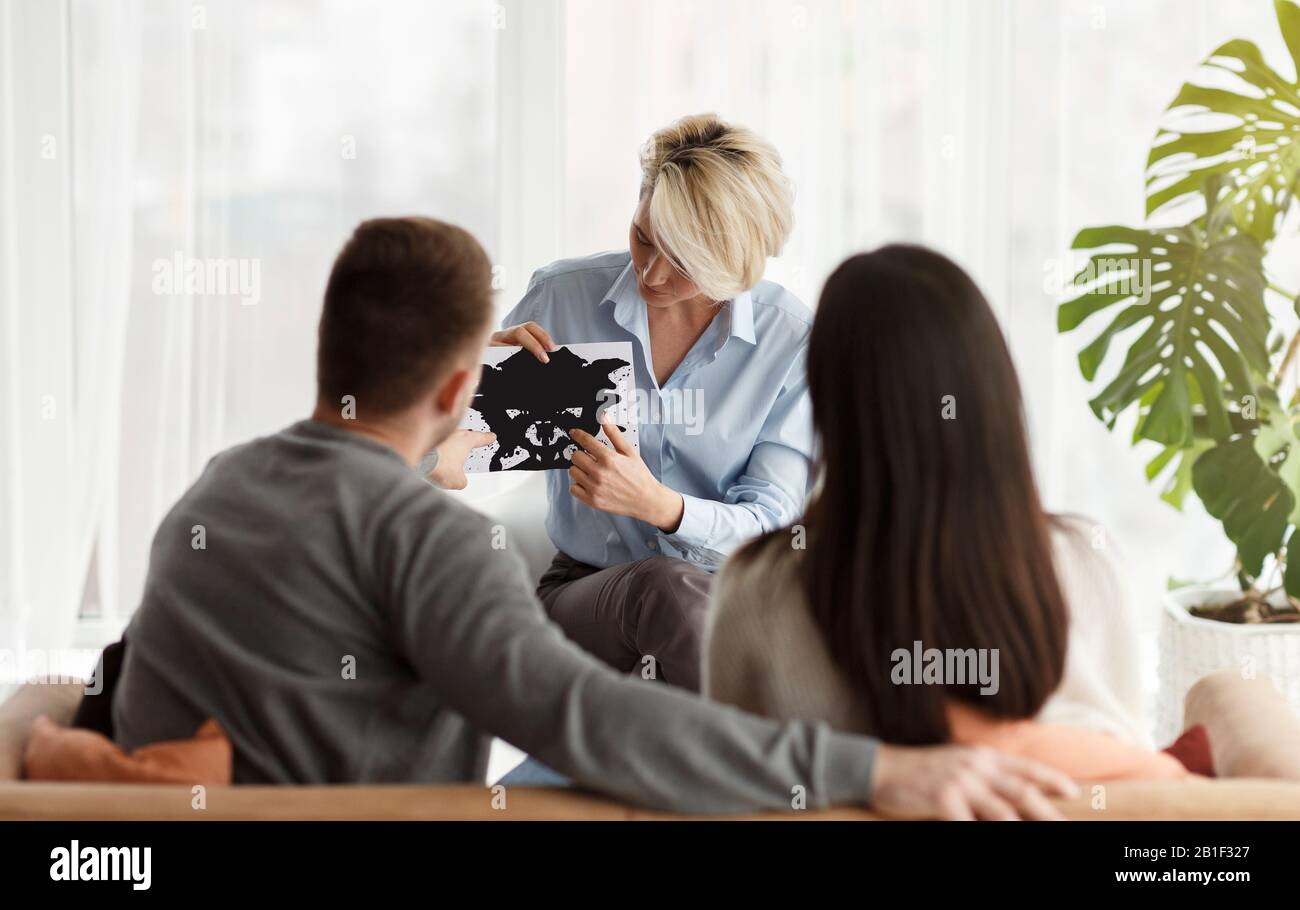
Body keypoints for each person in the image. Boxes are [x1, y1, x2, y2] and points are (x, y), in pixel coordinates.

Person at [110, 217, 1076, 819]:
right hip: (607, 610)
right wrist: (873, 773)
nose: (647, 270)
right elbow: (588, 719)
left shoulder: (213, 491)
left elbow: (126, 692)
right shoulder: (438, 547)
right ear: (461, 383)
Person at [704, 245, 1182, 782]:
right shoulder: (1082, 562)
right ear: (996, 389)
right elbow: (1139, 797)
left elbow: (738, 792)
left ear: (830, 404)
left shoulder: (757, 588)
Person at [466, 113, 811, 692]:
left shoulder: (789, 339)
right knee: (662, 591)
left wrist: (663, 507)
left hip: (732, 599)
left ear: (735, 260)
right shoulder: (561, 297)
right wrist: (473, 373)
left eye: (682, 260)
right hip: (587, 593)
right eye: (643, 237)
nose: (650, 273)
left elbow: (772, 528)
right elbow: (453, 450)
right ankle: (749, 769)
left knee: (698, 604)